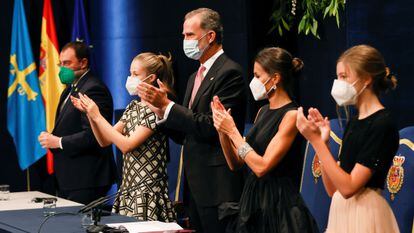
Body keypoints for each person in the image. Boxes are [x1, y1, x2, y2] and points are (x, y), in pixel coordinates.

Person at [138, 8, 247, 233]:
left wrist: (168, 105)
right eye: (184, 35)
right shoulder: (193, 77)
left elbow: (210, 127)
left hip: (218, 187)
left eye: (190, 35)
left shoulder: (230, 72)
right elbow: (186, 133)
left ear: (210, 36)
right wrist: (162, 113)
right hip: (194, 187)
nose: (185, 41)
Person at [211, 47, 319, 233]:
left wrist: (233, 132)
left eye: (258, 76)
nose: (253, 82)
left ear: (275, 78)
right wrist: (222, 131)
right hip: (253, 201)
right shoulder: (262, 112)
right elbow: (236, 164)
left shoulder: (291, 116)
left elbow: (261, 167)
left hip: (279, 205)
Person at [296, 44, 400, 233]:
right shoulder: (354, 121)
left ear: (366, 79)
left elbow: (349, 187)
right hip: (341, 214)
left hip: (366, 216)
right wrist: (323, 143)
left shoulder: (382, 124)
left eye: (344, 77)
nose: (338, 83)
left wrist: (316, 142)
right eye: (338, 77)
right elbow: (333, 190)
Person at [71, 52, 176, 222]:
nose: (130, 78)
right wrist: (90, 115)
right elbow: (104, 140)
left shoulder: (155, 110)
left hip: (146, 193)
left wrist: (98, 116)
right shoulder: (133, 107)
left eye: (135, 74)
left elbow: (126, 145)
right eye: (130, 73)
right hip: (128, 190)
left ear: (150, 78)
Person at [37, 41, 116, 205]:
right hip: (71, 178)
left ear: (83, 62)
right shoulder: (71, 88)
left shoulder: (94, 89)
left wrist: (58, 141)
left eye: (67, 63)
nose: (62, 68)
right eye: (60, 63)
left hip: (87, 178)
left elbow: (95, 135)